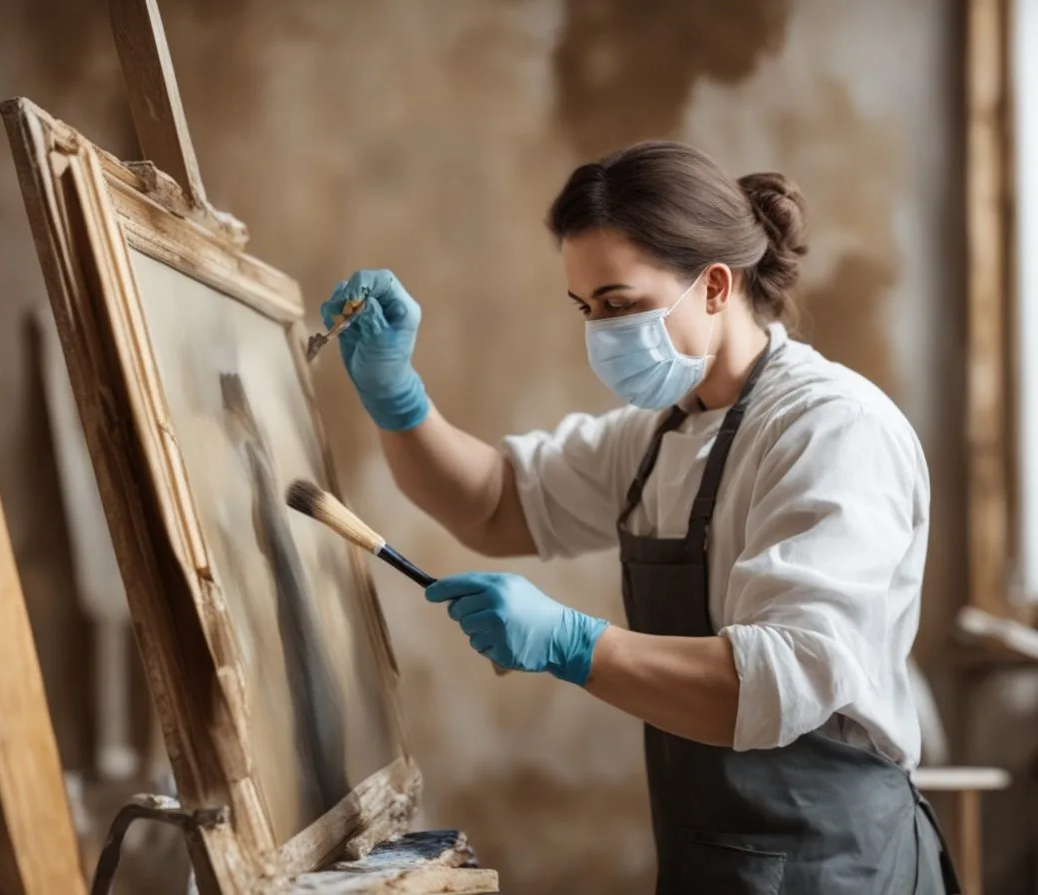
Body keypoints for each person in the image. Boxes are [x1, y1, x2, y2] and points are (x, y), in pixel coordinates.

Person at [320, 141, 959, 894]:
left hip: (838, 864)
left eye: (619, 304)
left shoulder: (830, 429)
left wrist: (570, 642)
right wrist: (396, 396)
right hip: (711, 858)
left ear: (715, 285)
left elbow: (781, 678)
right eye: (586, 308)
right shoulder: (657, 433)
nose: (599, 331)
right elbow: (493, 502)